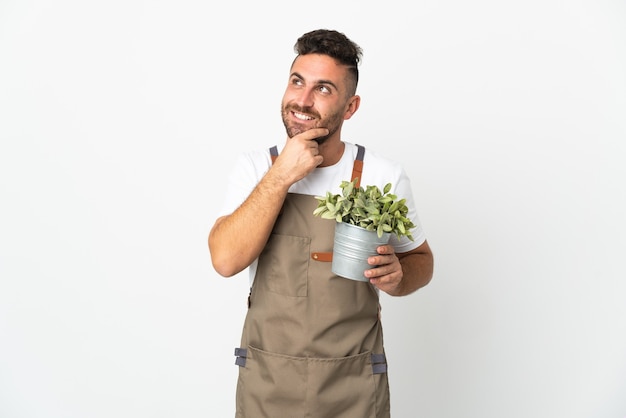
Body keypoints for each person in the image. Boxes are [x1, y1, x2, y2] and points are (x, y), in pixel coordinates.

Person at [208, 28, 434, 418]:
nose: (303, 100)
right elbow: (225, 260)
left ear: (351, 107)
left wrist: (400, 277)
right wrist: (281, 176)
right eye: (298, 82)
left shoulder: (383, 175)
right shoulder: (256, 168)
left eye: (324, 89)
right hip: (268, 384)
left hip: (354, 388)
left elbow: (422, 260)